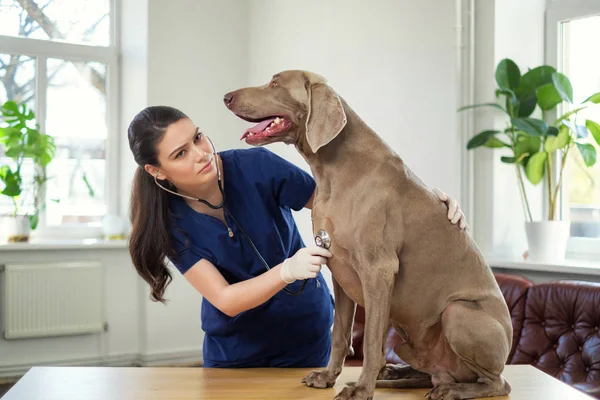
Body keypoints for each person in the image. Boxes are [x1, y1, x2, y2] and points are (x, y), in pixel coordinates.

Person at [126, 105, 467, 368]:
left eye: (197, 138)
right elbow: (225, 299)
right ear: (157, 171)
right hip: (235, 353)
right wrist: (286, 270)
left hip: (307, 337)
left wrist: (425, 207)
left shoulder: (257, 167)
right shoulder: (167, 222)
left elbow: (347, 205)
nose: (201, 153)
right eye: (180, 153)